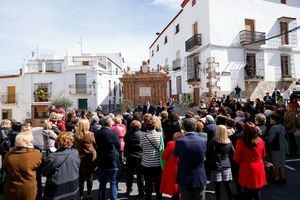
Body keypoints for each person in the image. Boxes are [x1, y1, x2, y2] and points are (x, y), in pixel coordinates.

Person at [174, 118, 207, 200]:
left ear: (184, 128)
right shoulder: (203, 140)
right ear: (195, 127)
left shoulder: (180, 141)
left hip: (185, 176)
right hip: (199, 176)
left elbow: (176, 154)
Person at [3, 131, 42, 200]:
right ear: (29, 142)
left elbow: (5, 169)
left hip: (11, 188)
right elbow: (42, 170)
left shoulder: (8, 155)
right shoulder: (36, 154)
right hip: (29, 190)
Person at [42, 132, 80, 200]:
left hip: (57, 191)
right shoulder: (75, 153)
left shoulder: (53, 157)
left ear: (58, 143)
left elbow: (44, 172)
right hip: (73, 188)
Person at [234, 122, 266, 200]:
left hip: (246, 167)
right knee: (257, 191)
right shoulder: (260, 140)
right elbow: (264, 155)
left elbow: (237, 158)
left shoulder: (240, 142)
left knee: (248, 191)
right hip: (259, 166)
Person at [95, 116, 120, 200]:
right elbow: (118, 145)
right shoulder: (113, 133)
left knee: (102, 183)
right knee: (113, 182)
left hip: (102, 159)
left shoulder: (97, 133)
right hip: (112, 159)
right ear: (109, 123)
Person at [206, 125, 234, 200]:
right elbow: (233, 153)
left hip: (216, 165)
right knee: (228, 186)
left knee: (217, 188)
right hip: (226, 164)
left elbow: (208, 153)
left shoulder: (213, 141)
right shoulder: (229, 141)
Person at [140, 116, 163, 200]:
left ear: (146, 126)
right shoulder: (160, 135)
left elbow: (142, 148)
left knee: (148, 185)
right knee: (158, 185)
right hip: (157, 163)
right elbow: (161, 148)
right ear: (155, 126)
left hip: (146, 163)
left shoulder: (142, 136)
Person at [74, 119, 97, 200]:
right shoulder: (91, 134)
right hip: (90, 157)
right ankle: (89, 194)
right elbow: (95, 144)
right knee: (89, 176)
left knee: (81, 177)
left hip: (80, 157)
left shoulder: (76, 135)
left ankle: (80, 194)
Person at [160, 131, 185, 200]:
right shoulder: (185, 144)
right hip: (181, 166)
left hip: (172, 167)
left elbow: (164, 156)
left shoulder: (171, 144)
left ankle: (175, 196)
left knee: (173, 184)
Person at [124, 120, 144, 197]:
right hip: (140, 157)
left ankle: (128, 190)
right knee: (140, 176)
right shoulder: (142, 134)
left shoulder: (128, 134)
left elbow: (125, 141)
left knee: (129, 175)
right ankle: (141, 192)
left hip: (130, 156)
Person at [268, 114, 286, 184]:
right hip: (282, 146)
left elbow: (270, 139)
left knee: (275, 164)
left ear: (274, 120)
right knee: (282, 163)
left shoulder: (273, 128)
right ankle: (283, 177)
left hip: (275, 147)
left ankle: (276, 178)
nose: (270, 120)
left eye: (271, 119)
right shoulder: (282, 126)